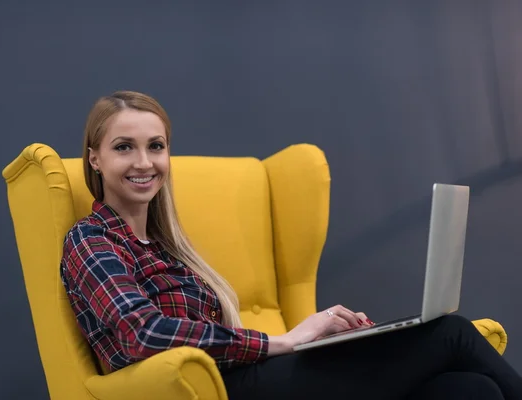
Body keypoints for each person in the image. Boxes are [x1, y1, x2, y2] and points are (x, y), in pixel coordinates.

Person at [60, 90, 522, 399]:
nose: (144, 161)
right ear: (94, 158)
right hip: (226, 388)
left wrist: (311, 338)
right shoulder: (91, 239)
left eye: (155, 145)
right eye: (124, 147)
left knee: (469, 390)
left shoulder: (167, 249)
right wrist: (279, 343)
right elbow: (140, 334)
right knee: (451, 333)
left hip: (257, 376)